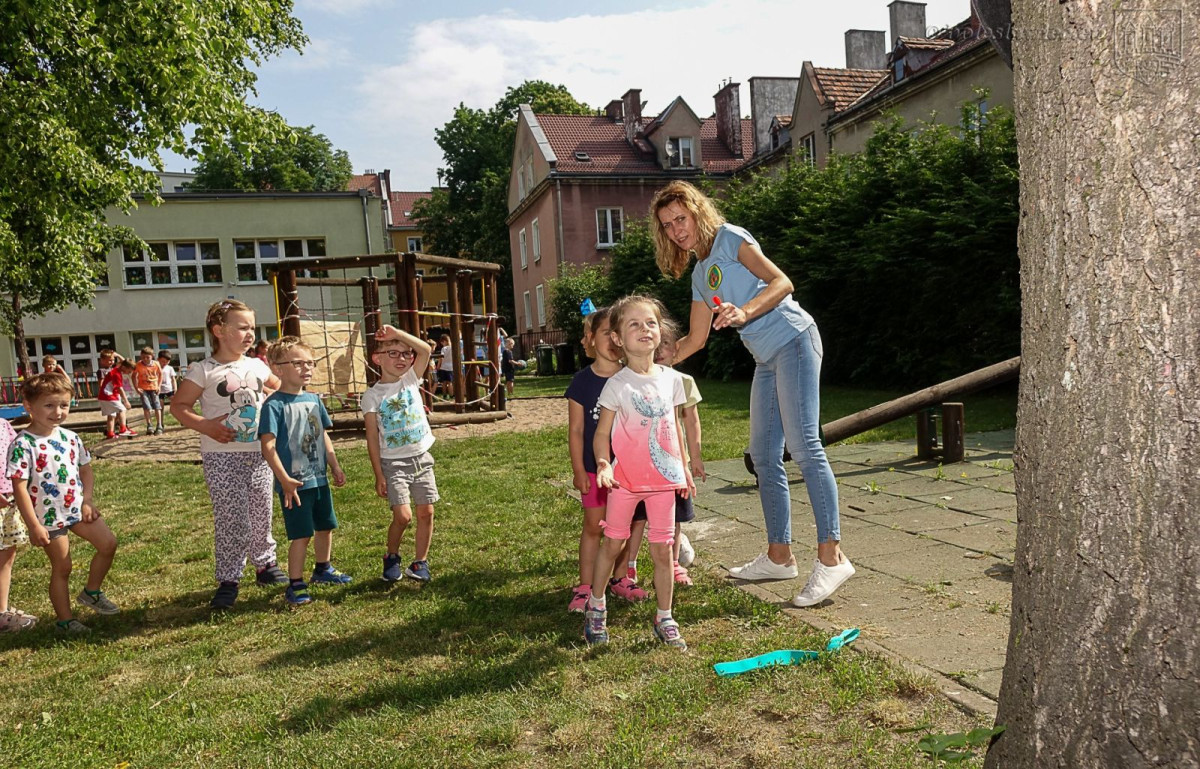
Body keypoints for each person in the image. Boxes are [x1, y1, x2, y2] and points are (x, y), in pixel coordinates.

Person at [650, 180, 854, 607]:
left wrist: (745, 311)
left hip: (796, 340)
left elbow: (782, 282)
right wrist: (655, 357)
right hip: (766, 359)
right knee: (763, 456)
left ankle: (832, 557)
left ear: (697, 212)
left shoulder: (732, 239)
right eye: (668, 226)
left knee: (804, 446)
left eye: (681, 219)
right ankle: (780, 556)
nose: (677, 230)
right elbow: (695, 340)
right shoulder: (701, 274)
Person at [585, 295, 694, 650]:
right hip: (625, 482)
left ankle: (665, 616)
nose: (645, 329)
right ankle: (597, 604)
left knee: (664, 551)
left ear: (660, 330)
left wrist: (686, 467)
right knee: (614, 544)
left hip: (664, 481)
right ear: (617, 338)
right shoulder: (617, 385)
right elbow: (602, 434)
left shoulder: (672, 379)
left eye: (650, 322)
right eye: (633, 324)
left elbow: (675, 427)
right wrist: (603, 463)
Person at [170, 300, 286, 610]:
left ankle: (266, 565)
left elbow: (279, 391)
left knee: (262, 512)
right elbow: (179, 407)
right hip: (222, 457)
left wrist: (275, 406)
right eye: (243, 327)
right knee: (233, 519)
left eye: (252, 327)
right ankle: (229, 578)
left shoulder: (257, 366)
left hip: (260, 454)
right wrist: (206, 426)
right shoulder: (204, 370)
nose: (250, 333)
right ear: (219, 331)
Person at [7, 374, 120, 634]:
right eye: (49, 405)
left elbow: (86, 471)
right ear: (29, 406)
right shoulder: (23, 444)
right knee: (63, 566)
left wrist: (87, 501)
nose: (58, 412)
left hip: (77, 509)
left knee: (108, 544)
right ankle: (65, 621)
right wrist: (34, 525)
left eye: (64, 405)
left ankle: (91, 592)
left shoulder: (71, 437)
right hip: (47, 518)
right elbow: (19, 488)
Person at [565, 306, 647, 613]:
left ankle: (619, 578)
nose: (613, 341)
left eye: (618, 334)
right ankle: (586, 586)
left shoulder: (634, 378)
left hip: (630, 470)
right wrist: (578, 469)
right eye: (605, 333)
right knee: (593, 527)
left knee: (625, 526)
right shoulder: (581, 382)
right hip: (593, 468)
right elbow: (576, 430)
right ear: (591, 338)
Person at [258, 337, 350, 606]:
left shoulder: (313, 399)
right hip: (294, 485)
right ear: (277, 368)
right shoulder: (274, 405)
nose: (306, 368)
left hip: (319, 479)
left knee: (326, 526)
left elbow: (322, 435)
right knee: (302, 534)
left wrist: (334, 465)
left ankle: (323, 569)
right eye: (298, 363)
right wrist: (283, 479)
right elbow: (267, 446)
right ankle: (295, 583)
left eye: (310, 363)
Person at [623, 318, 705, 588]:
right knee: (637, 518)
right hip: (640, 466)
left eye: (668, 344)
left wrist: (695, 458)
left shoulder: (682, 381)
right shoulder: (633, 380)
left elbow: (691, 422)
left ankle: (673, 563)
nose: (661, 350)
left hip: (673, 464)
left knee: (676, 517)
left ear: (676, 350)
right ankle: (628, 566)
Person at [361, 324, 438, 583]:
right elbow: (372, 437)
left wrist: (397, 335)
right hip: (394, 465)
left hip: (422, 459)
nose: (401, 358)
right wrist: (378, 474)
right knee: (403, 516)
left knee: (426, 512)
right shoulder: (372, 396)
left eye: (406, 353)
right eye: (392, 353)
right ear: (377, 358)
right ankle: (392, 556)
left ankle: (420, 563)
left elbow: (425, 349)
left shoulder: (411, 379)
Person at [0, 418, 37, 632]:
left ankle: (2, 611)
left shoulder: (4, 425)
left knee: (6, 553)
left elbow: (20, 459)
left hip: (8, 503)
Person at [97, 358, 137, 439]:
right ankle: (123, 429)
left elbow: (124, 361)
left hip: (104, 396)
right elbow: (119, 388)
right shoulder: (116, 374)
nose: (129, 373)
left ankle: (110, 433)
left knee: (112, 415)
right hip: (108, 396)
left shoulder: (117, 369)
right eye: (129, 371)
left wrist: (117, 355)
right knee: (122, 409)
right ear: (124, 367)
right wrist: (126, 401)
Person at [133, 346, 165, 435]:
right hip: (143, 388)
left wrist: (159, 386)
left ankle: (159, 425)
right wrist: (136, 387)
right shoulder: (138, 365)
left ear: (152, 356)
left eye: (148, 357)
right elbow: (134, 376)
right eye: (143, 357)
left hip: (154, 387)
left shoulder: (156, 364)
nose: (145, 359)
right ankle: (149, 425)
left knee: (157, 406)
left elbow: (160, 374)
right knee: (146, 407)